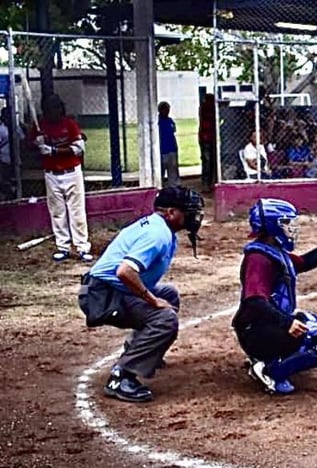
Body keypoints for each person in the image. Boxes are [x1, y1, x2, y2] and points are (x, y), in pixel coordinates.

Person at [78, 186, 205, 402]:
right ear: (171, 213)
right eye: (189, 211)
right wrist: (151, 300)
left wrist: (155, 297)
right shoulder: (157, 234)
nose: (194, 217)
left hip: (110, 289)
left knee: (169, 295)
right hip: (102, 296)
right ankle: (122, 377)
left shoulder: (157, 225)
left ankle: (139, 351)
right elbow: (125, 271)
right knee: (165, 318)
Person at [233, 199, 317, 394]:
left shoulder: (274, 252)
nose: (292, 228)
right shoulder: (258, 259)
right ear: (274, 226)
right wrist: (286, 323)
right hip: (256, 332)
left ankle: (267, 358)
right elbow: (254, 301)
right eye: (287, 223)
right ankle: (270, 371)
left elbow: (306, 262)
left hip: (265, 325)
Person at [29, 94, 93, 262]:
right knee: (57, 212)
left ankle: (82, 247)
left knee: (77, 211)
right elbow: (25, 145)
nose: (54, 112)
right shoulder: (40, 126)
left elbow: (79, 148)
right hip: (51, 174)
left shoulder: (69, 124)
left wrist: (53, 151)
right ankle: (63, 246)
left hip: (72, 172)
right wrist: (36, 143)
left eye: (57, 108)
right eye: (50, 109)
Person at [0, 107, 22, 200]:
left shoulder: (16, 128)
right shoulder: (1, 129)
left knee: (16, 182)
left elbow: (22, 141)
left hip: (17, 160)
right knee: (6, 183)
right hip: (4, 161)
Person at [157, 101, 180, 187]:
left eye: (168, 109)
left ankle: (174, 186)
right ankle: (160, 185)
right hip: (162, 149)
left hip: (172, 148)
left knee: (173, 168)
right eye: (165, 109)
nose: (167, 111)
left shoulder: (170, 121)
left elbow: (173, 130)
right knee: (161, 169)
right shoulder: (158, 122)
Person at [198, 93, 217, 191]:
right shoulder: (206, 108)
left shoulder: (208, 108)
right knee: (207, 162)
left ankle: (210, 183)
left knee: (211, 161)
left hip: (210, 138)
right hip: (206, 138)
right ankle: (206, 183)